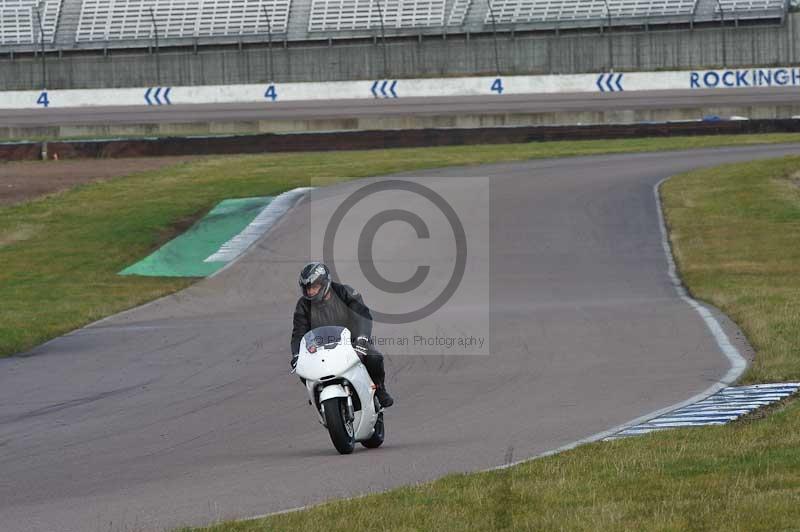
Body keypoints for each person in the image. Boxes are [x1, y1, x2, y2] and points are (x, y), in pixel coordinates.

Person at [290, 262, 394, 408]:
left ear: (324, 283)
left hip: (352, 341)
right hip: (320, 347)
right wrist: (296, 354)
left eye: (314, 287)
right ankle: (316, 394)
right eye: (307, 288)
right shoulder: (303, 305)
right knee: (302, 367)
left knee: (374, 357)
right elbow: (298, 332)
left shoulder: (344, 292)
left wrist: (362, 338)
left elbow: (362, 315)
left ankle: (379, 389)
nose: (310, 292)